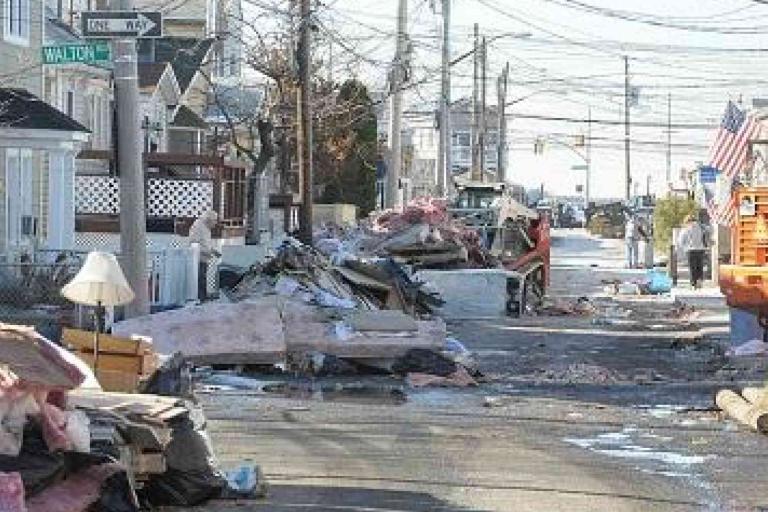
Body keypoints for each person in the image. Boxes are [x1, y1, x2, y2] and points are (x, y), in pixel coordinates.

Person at [189, 210, 221, 301]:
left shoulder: (206, 228)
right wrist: (207, 251)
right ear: (208, 220)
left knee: (203, 278)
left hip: (204, 258)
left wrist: (213, 251)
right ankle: (201, 298)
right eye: (214, 221)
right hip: (198, 258)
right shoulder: (198, 226)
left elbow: (205, 243)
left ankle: (203, 297)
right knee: (200, 279)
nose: (215, 223)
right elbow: (194, 243)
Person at [677, 213, 706, 289]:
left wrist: (684, 247)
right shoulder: (701, 228)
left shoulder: (686, 229)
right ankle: (700, 280)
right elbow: (705, 237)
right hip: (700, 249)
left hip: (690, 250)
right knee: (699, 266)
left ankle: (693, 283)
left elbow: (680, 240)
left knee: (692, 267)